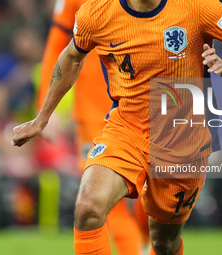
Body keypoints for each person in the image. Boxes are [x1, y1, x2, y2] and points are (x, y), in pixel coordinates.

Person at [11, 0, 222, 254]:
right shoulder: (96, 12)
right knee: (89, 205)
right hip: (127, 127)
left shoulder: (197, 6)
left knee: (163, 242)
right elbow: (70, 56)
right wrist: (42, 117)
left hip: (184, 136)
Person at [37, 0, 146, 254]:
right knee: (101, 200)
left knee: (154, 201)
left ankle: (143, 240)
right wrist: (47, 107)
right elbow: (58, 45)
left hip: (150, 107)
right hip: (95, 114)